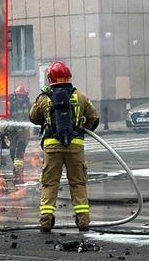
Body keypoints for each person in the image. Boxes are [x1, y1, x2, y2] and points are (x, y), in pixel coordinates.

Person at [29, 61, 99, 233]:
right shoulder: (80, 97)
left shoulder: (43, 98)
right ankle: (83, 221)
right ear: (69, 77)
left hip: (51, 147)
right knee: (78, 183)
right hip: (75, 147)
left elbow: (33, 118)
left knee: (49, 184)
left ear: (50, 79)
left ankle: (46, 221)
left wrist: (47, 118)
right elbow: (94, 118)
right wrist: (82, 130)